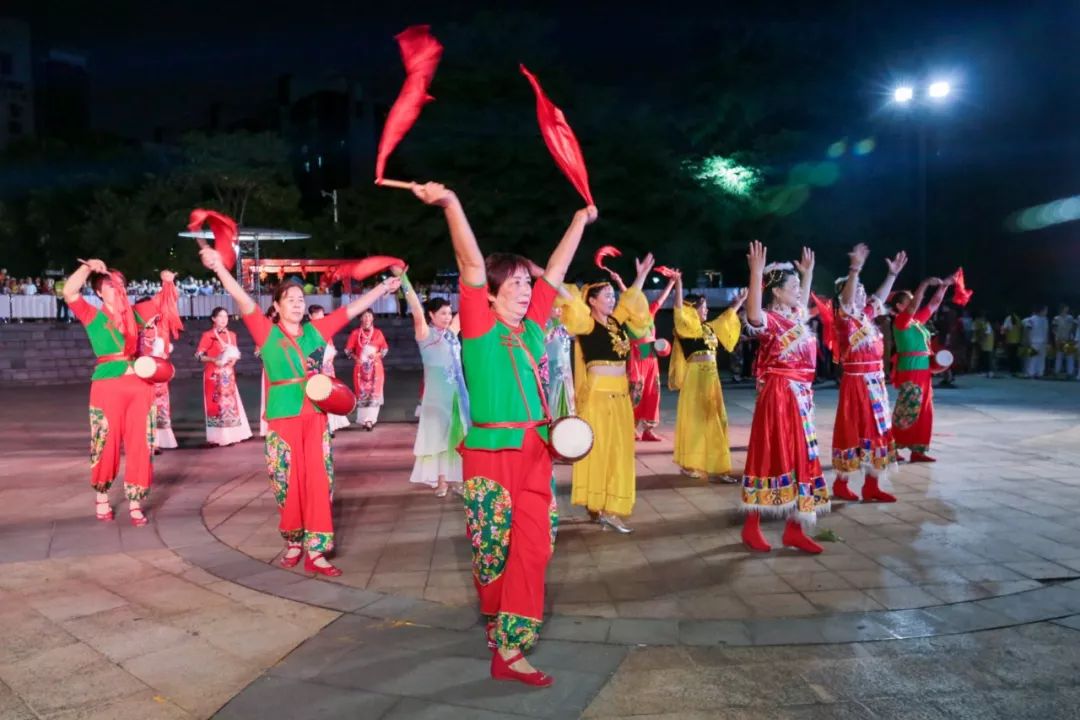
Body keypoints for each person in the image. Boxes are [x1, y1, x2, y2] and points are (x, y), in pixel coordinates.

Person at [410, 180, 595, 687]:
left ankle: (510, 647)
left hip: (535, 453)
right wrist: (452, 204)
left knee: (537, 546)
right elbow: (470, 264)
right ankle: (498, 622)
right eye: (513, 283)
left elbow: (554, 271)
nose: (525, 289)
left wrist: (579, 220)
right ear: (491, 293)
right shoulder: (479, 328)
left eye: (524, 282)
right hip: (490, 456)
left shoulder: (532, 328)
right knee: (491, 552)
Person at [201, 245, 400, 576]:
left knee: (319, 480)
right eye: (290, 299)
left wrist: (383, 287)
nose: (297, 304)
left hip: (315, 415)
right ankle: (294, 541)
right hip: (282, 417)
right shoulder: (266, 331)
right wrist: (219, 268)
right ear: (276, 307)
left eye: (300, 299)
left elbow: (351, 310)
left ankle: (317, 550)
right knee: (285, 480)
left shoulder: (315, 332)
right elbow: (241, 297)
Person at [740, 242, 830, 554]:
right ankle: (751, 525)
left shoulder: (795, 317)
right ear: (777, 293)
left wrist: (807, 274)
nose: (798, 291)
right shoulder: (770, 320)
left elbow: (802, 301)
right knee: (771, 454)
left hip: (801, 397)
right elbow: (753, 315)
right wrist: (755, 273)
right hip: (779, 395)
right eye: (792, 286)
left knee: (802, 457)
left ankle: (794, 529)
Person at [562, 257, 654, 532]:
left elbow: (631, 299)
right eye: (607, 296)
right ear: (592, 301)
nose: (612, 300)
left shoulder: (615, 323)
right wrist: (551, 276)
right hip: (598, 396)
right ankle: (601, 507)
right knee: (600, 449)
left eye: (612, 295)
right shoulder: (587, 325)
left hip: (620, 395)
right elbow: (571, 301)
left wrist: (641, 275)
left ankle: (607, 506)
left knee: (619, 451)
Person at [62, 259, 155, 526]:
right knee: (105, 440)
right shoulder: (93, 315)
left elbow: (163, 303)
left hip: (139, 385)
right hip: (107, 386)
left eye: (121, 284)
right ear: (99, 292)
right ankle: (102, 496)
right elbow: (69, 291)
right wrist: (87, 268)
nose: (118, 288)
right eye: (111, 285)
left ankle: (135, 501)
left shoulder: (135, 315)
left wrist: (167, 281)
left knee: (141, 443)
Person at [828, 244, 906, 504]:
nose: (863, 294)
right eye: (857, 290)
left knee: (878, 431)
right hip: (856, 385)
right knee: (852, 432)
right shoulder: (844, 321)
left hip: (875, 384)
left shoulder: (866, 318)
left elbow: (879, 298)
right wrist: (855, 270)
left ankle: (872, 485)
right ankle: (841, 483)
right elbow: (848, 301)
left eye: (863, 290)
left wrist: (892, 274)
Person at [668, 270, 744, 481]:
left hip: (712, 381)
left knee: (718, 420)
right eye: (703, 307)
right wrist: (678, 284)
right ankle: (692, 464)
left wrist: (739, 303)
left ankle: (717, 465)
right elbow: (678, 309)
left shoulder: (708, 328)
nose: (707, 310)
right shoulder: (685, 329)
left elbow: (726, 319)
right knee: (696, 422)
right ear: (692, 309)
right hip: (695, 381)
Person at [401, 271, 470, 497]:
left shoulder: (452, 333)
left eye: (450, 313)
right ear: (431, 315)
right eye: (443, 313)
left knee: (459, 436)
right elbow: (415, 307)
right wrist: (404, 279)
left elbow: (467, 306)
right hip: (437, 397)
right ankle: (441, 481)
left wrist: (473, 280)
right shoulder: (425, 334)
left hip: (457, 395)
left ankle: (457, 479)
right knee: (439, 437)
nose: (448, 317)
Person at [606, 269, 676, 441]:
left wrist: (672, 283)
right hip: (636, 356)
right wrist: (619, 281)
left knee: (653, 392)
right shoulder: (630, 316)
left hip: (651, 355)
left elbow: (661, 299)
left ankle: (647, 429)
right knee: (635, 391)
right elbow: (629, 297)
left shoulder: (650, 313)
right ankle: (630, 426)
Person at [889, 275, 953, 462]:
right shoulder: (900, 322)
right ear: (899, 306)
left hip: (923, 371)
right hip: (910, 371)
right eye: (909, 302)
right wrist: (924, 284)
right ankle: (891, 447)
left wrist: (944, 286)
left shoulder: (916, 322)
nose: (914, 304)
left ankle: (918, 451)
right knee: (906, 410)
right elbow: (914, 307)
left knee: (925, 411)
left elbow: (933, 304)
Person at [133, 271, 183, 451]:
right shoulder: (135, 332)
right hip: (142, 375)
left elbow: (169, 300)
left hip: (159, 374)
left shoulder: (160, 328)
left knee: (160, 407)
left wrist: (168, 283)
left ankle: (159, 440)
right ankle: (147, 442)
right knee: (145, 407)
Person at [195, 308, 254, 447]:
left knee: (229, 404)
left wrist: (233, 361)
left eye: (226, 317)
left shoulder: (232, 335)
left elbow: (235, 353)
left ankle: (232, 435)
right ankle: (215, 437)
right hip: (213, 374)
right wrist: (213, 359)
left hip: (228, 375)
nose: (224, 319)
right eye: (220, 316)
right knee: (215, 404)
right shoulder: (208, 335)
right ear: (213, 319)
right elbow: (198, 356)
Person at [307, 305, 350, 435]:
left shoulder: (325, 331)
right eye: (317, 317)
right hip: (313, 369)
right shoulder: (307, 332)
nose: (320, 321)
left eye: (322, 317)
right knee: (317, 397)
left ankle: (330, 425)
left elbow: (331, 349)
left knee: (329, 396)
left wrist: (328, 359)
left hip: (327, 368)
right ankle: (321, 426)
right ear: (310, 317)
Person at [345, 309, 389, 430]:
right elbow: (348, 350)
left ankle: (371, 420)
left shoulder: (378, 333)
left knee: (374, 393)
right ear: (360, 318)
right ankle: (364, 420)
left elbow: (384, 349)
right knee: (363, 393)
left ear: (373, 318)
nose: (367, 319)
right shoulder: (355, 333)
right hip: (361, 368)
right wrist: (356, 358)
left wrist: (376, 355)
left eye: (369, 316)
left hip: (375, 367)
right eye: (364, 316)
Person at [1021, 306, 1049, 378]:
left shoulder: (1045, 320)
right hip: (1034, 341)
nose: (1046, 312)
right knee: (1032, 358)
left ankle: (1040, 373)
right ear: (1041, 311)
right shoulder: (1031, 319)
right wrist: (1027, 340)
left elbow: (1046, 331)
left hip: (1043, 342)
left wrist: (1047, 341)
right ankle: (1031, 373)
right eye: (1045, 310)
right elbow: (1027, 330)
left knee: (1041, 358)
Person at [1052, 304, 1076, 378]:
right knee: (1059, 356)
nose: (1067, 309)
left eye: (1067, 307)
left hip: (1068, 339)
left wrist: (1072, 337)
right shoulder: (1056, 318)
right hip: (1059, 339)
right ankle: (1057, 372)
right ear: (1062, 308)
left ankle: (1070, 372)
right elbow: (1054, 329)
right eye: (1065, 307)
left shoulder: (1070, 317)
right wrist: (1056, 338)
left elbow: (1073, 327)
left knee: (1070, 356)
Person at [972, 310, 996, 378]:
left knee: (985, 358)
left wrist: (979, 340)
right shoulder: (986, 323)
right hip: (988, 343)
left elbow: (983, 333)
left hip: (985, 343)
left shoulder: (982, 323)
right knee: (986, 357)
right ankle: (988, 372)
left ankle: (986, 372)